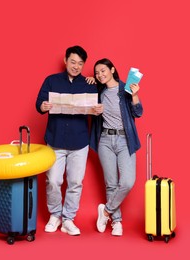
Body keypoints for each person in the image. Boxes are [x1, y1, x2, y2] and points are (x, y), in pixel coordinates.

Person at [35, 46, 103, 236]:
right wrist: (43, 105)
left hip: (79, 142)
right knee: (54, 180)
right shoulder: (51, 80)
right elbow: (38, 103)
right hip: (55, 140)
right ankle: (55, 215)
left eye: (80, 63)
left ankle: (68, 219)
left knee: (75, 182)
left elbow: (101, 100)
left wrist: (97, 110)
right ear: (65, 61)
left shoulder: (89, 84)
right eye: (73, 62)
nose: (76, 66)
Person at [90, 58, 143, 236]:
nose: (100, 75)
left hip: (124, 140)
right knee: (111, 183)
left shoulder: (125, 89)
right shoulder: (99, 91)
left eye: (103, 70)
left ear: (112, 69)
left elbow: (138, 113)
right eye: (97, 73)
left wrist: (135, 96)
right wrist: (89, 80)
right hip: (105, 139)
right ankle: (117, 222)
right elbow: (83, 98)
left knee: (127, 181)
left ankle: (105, 212)